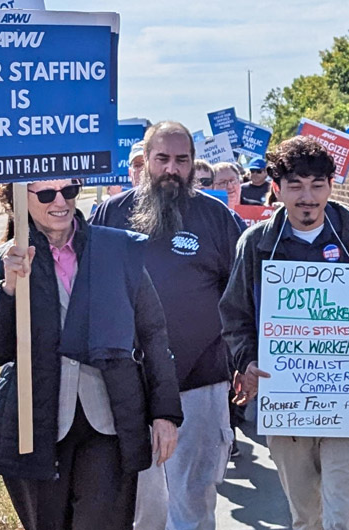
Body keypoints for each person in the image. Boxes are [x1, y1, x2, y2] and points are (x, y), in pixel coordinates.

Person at [0, 180, 182, 529]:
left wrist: (165, 413)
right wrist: (8, 288)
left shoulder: (115, 250)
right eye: (45, 194)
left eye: (68, 191)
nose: (60, 202)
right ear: (19, 198)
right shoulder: (2, 260)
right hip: (36, 424)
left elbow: (152, 332)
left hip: (108, 419)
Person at [219, 136, 349, 529]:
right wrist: (247, 362)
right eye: (296, 186)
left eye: (317, 185)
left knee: (343, 512)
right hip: (283, 402)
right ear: (277, 189)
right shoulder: (256, 244)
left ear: (330, 186)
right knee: (305, 516)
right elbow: (235, 316)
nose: (307, 196)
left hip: (345, 396)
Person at [91, 121, 242, 529]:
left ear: (193, 164)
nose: (172, 169)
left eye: (182, 160)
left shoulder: (218, 218)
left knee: (192, 505)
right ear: (146, 161)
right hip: (128, 390)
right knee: (140, 510)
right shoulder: (110, 213)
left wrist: (242, 363)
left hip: (201, 384)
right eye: (163, 159)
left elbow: (242, 298)